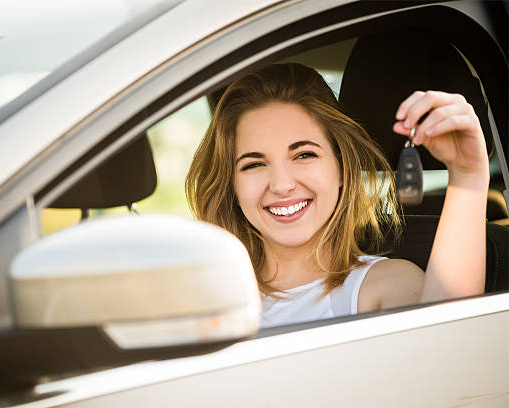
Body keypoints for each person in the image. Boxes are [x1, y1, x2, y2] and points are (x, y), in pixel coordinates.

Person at [185, 63, 489, 328]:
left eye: (304, 155)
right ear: (231, 185)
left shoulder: (380, 287)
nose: (280, 185)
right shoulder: (198, 294)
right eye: (253, 164)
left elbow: (447, 343)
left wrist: (468, 177)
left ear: (342, 167)